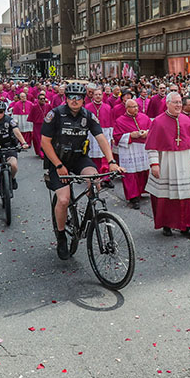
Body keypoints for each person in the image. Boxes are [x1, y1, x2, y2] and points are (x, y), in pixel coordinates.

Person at [40, 82, 121, 259]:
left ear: (84, 99)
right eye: (71, 97)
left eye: (78, 98)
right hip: (58, 160)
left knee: (95, 180)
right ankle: (61, 236)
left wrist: (112, 161)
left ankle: (91, 211)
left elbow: (101, 139)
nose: (74, 101)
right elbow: (44, 142)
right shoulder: (55, 115)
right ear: (66, 98)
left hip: (78, 158)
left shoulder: (88, 116)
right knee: (63, 199)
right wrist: (59, 167)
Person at [144, 92, 190, 239]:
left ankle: (186, 226)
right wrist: (154, 164)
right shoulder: (158, 121)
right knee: (166, 197)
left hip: (185, 162)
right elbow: (152, 146)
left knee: (187, 197)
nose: (178, 105)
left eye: (180, 102)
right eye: (175, 102)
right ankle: (167, 224)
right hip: (166, 163)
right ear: (167, 103)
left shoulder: (186, 120)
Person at [113, 99, 152, 208]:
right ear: (127, 108)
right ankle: (133, 197)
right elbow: (116, 137)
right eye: (133, 107)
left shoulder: (144, 117)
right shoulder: (120, 121)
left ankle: (142, 191)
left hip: (142, 148)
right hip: (129, 149)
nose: (136, 109)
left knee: (143, 171)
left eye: (136, 106)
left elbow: (152, 129)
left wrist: (147, 133)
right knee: (130, 174)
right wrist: (131, 135)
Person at [85, 88, 116, 187]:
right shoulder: (87, 107)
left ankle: (105, 179)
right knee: (93, 158)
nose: (98, 96)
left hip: (105, 132)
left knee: (105, 157)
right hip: (91, 134)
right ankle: (94, 177)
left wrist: (111, 136)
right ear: (93, 96)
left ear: (102, 96)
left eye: (99, 94)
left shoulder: (107, 107)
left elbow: (111, 122)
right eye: (96, 94)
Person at [27, 90, 51, 158]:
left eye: (44, 98)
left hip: (46, 124)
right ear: (38, 100)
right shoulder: (35, 107)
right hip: (37, 125)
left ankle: (45, 151)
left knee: (45, 139)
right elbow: (31, 116)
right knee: (38, 139)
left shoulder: (48, 106)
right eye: (41, 99)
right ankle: (40, 152)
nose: (43, 100)